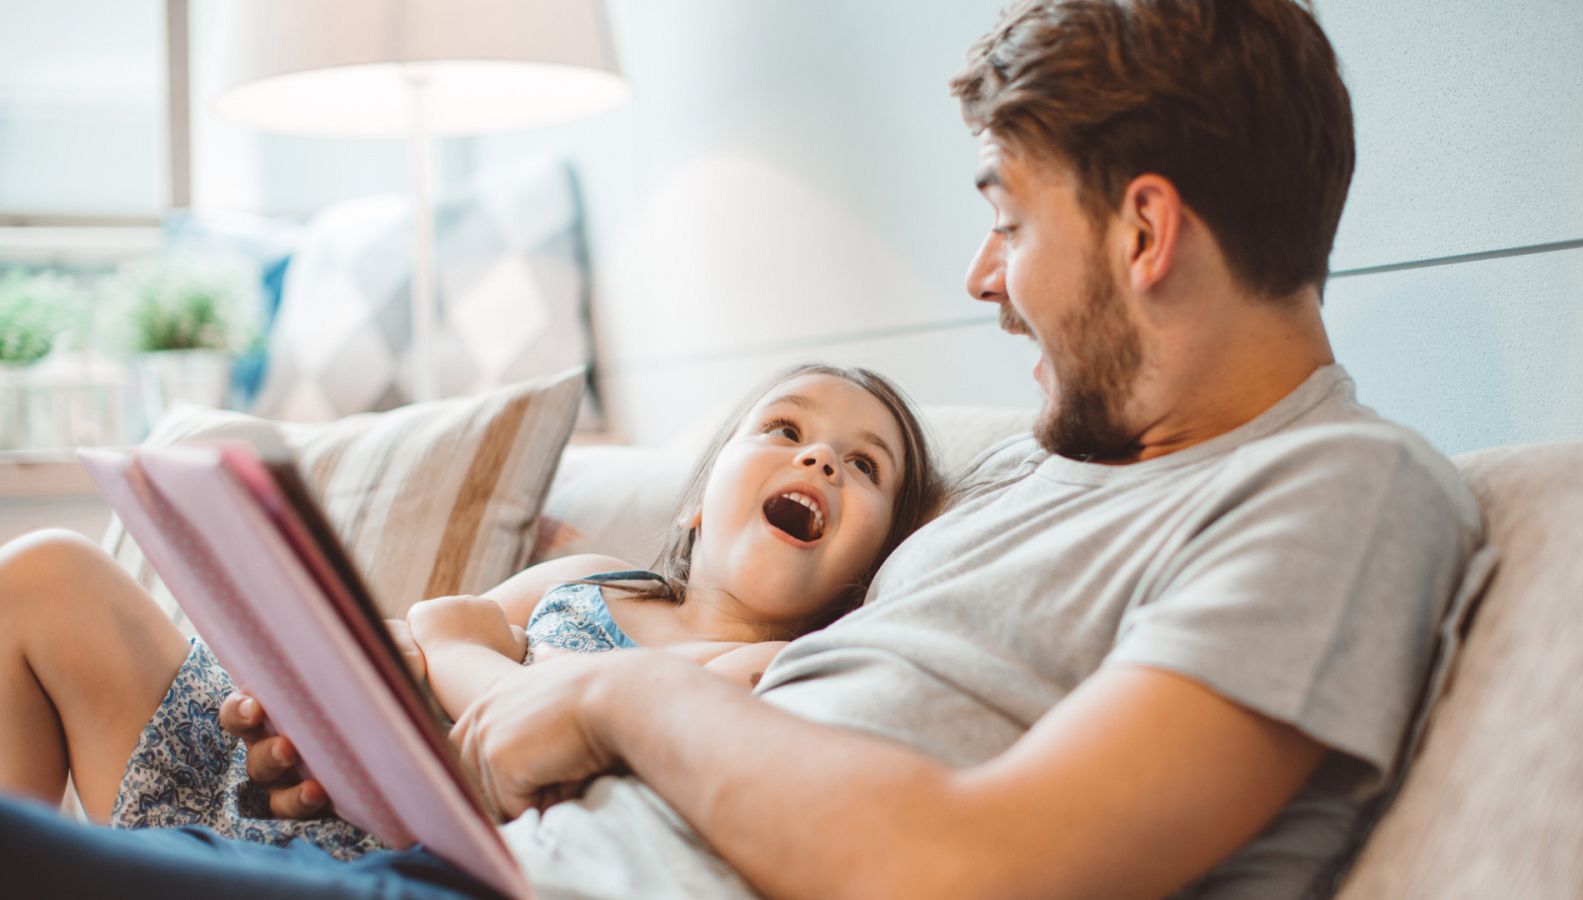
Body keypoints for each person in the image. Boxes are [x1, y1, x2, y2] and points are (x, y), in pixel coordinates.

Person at [0, 1, 1487, 897]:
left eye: (1010, 222)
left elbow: (964, 870)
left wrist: (615, 702)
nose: (982, 280)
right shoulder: (1058, 465)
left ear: (1146, 230)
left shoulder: (1341, 495)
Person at [0, 363, 943, 857]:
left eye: (864, 466)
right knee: (46, 572)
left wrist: (456, 644)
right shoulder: (595, 580)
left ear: (869, 575)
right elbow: (424, 634)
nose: (818, 460)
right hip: (290, 788)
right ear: (697, 501)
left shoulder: (771, 675)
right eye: (784, 429)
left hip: (382, 864)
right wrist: (314, 698)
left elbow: (484, 656)